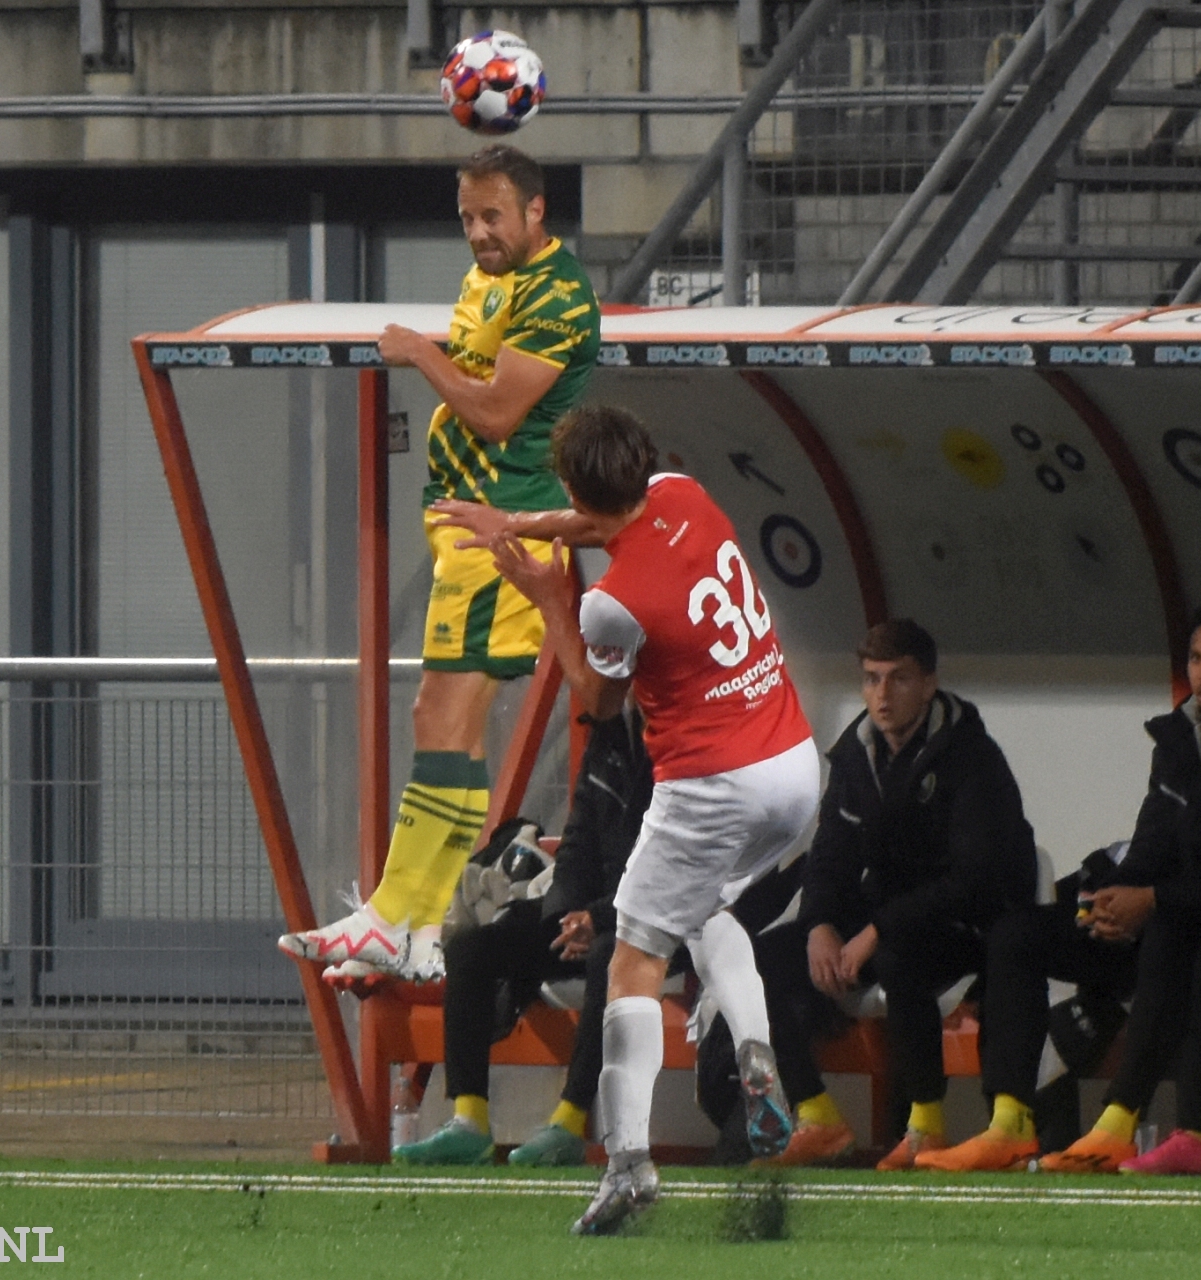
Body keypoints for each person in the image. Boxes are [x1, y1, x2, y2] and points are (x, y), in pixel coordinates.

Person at [440, 404, 819, 1234]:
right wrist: (520, 522)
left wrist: (549, 598)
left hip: (712, 782)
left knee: (633, 962)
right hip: (792, 768)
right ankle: (756, 1056)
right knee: (702, 911)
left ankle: (626, 1165)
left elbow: (599, 701)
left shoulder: (613, 604)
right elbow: (600, 516)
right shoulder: (685, 494)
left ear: (577, 483)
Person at [279, 144, 601, 985]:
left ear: (536, 211)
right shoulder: (484, 282)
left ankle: (394, 913)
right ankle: (419, 920)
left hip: (501, 537)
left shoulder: (559, 295)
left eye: (492, 216)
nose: (478, 233)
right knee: (440, 719)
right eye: (466, 217)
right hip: (463, 530)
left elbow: (496, 412)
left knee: (445, 716)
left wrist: (420, 354)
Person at [927, 600, 1201, 1174]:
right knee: (1016, 934)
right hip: (1157, 915)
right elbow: (1154, 839)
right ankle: (1010, 1121)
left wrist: (1154, 900)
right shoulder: (1180, 736)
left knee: (1168, 926)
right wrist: (1112, 899)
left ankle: (1119, 1122)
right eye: (1195, 658)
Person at [754, 618, 1036, 1169]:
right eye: (871, 679)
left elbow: (973, 878)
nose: (882, 696)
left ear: (928, 685)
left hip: (972, 922)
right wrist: (819, 926)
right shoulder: (856, 756)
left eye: (898, 680)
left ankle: (926, 1125)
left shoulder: (972, 755)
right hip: (886, 916)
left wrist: (874, 931)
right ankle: (817, 1116)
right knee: (764, 958)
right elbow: (831, 855)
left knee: (896, 953)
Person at [393, 704, 653, 1167]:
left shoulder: (686, 738)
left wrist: (598, 919)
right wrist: (566, 914)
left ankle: (569, 1125)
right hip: (590, 916)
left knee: (610, 957)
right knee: (472, 949)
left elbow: (671, 866)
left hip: (662, 924)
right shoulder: (608, 736)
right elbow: (576, 841)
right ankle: (469, 1124)